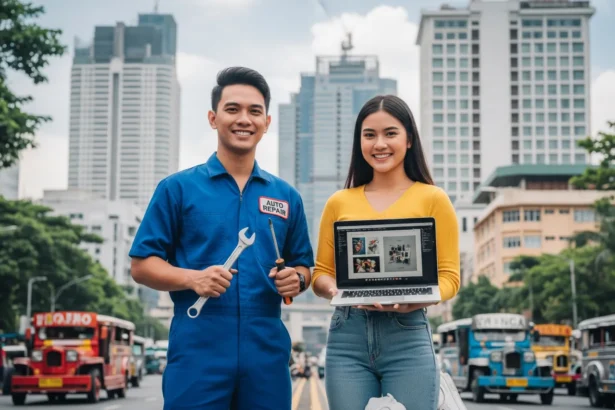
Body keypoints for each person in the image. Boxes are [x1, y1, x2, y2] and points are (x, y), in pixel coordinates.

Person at [129, 67, 314, 410]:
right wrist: (193, 278)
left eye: (254, 111)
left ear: (267, 122)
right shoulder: (178, 189)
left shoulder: (287, 196)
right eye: (233, 109)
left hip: (267, 352)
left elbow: (304, 266)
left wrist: (297, 278)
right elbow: (141, 265)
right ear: (214, 118)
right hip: (198, 348)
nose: (244, 119)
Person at [311, 95, 460, 410]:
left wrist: (416, 298)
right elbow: (320, 274)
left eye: (390, 133)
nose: (379, 144)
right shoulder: (339, 202)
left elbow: (449, 277)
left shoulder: (433, 198)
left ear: (408, 140)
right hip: (347, 336)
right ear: (359, 142)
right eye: (369, 135)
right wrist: (338, 290)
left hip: (407, 336)